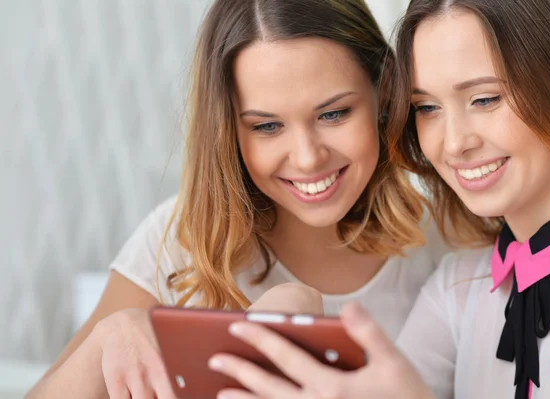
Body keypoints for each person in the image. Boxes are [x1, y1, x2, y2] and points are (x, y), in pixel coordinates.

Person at [26, 0, 449, 398]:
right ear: (228, 130)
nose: (307, 158)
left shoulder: (443, 247)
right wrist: (104, 339)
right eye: (266, 127)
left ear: (384, 96)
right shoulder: (181, 242)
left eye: (334, 114)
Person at [207, 1, 550, 398]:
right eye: (427, 108)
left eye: (484, 99)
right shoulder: (455, 291)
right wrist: (298, 302)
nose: (454, 143)